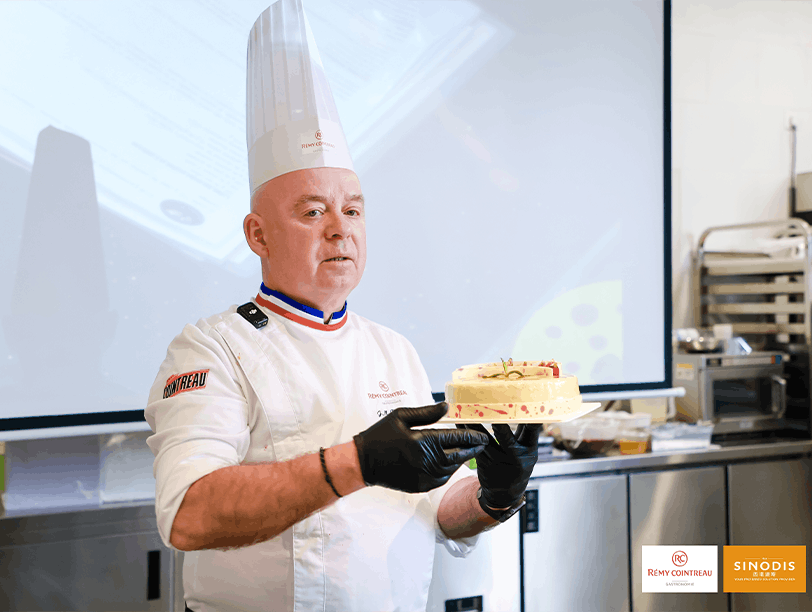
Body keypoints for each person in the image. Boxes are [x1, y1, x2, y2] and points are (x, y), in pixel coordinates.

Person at [145, 2, 542, 611]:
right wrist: (356, 462)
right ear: (257, 235)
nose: (340, 229)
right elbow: (189, 515)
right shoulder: (211, 348)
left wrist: (497, 494)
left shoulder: (392, 349)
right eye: (312, 211)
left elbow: (437, 510)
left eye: (352, 209)